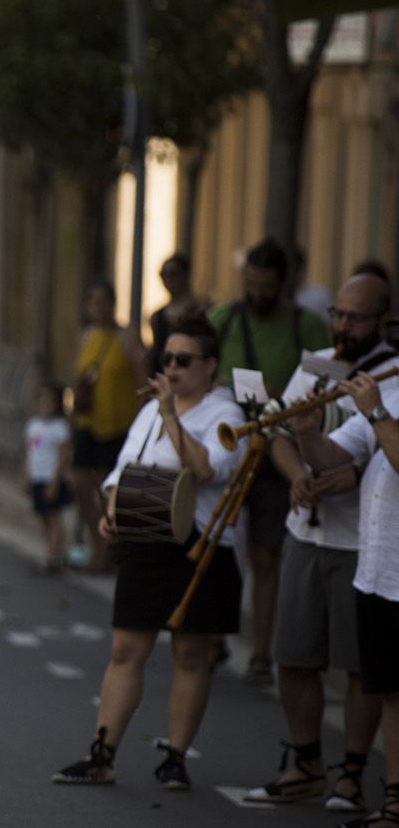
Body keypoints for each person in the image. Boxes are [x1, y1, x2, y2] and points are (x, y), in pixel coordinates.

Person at [54, 318, 245, 791]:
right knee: (125, 648)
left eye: (184, 361)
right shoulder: (151, 410)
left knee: (191, 653)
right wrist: (112, 509)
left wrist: (170, 417)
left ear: (210, 366)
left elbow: (204, 468)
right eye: (168, 360)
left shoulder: (227, 414)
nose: (173, 369)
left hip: (199, 543)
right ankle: (102, 753)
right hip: (146, 538)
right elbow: (122, 470)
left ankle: (176, 757)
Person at [244, 273, 393, 808]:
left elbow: (374, 453)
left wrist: (346, 472)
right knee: (296, 654)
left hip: (363, 543)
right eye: (339, 313)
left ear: (382, 321)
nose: (343, 325)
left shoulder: (390, 378)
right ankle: (306, 763)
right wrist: (297, 472)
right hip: (307, 530)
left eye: (356, 317)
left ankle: (351, 774)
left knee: (359, 666)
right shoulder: (318, 363)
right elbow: (282, 432)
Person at [210, 238, 332, 685]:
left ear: (284, 285)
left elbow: (328, 380)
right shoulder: (223, 319)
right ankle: (214, 636)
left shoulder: (309, 326)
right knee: (221, 547)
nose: (257, 293)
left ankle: (261, 654)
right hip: (231, 447)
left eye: (266, 286)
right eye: (251, 283)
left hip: (281, 451)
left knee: (267, 554)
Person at [292, 366, 399, 828]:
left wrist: (375, 410)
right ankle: (394, 806)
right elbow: (331, 457)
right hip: (379, 571)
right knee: (391, 694)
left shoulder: (382, 400)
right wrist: (306, 431)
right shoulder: (392, 390)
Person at [68, 280, 143, 573]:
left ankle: (112, 547)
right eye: (92, 300)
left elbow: (142, 379)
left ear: (113, 303)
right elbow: (77, 377)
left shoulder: (127, 337)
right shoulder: (85, 337)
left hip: (119, 424)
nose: (97, 306)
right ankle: (97, 545)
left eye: (103, 300)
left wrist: (141, 421)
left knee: (109, 488)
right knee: (81, 482)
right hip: (88, 422)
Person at [24, 383, 73, 574]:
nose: (44, 403)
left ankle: (53, 555)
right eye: (41, 399)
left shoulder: (60, 427)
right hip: (36, 477)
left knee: (53, 516)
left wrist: (55, 482)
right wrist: (26, 477)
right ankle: (52, 550)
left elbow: (63, 457)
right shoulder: (33, 425)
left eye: (49, 400)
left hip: (51, 479)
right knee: (42, 515)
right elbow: (29, 453)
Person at [149, 254, 201, 370]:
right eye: (164, 275)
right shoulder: (157, 317)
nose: (168, 279)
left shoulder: (201, 311)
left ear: (186, 275)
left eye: (174, 274)